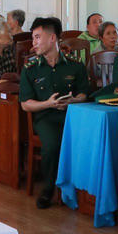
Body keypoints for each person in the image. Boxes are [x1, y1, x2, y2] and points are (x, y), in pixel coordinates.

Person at [20, 17, 91, 208]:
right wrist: (48, 104)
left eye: (37, 37)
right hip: (46, 117)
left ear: (52, 38)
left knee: (91, 139)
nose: (34, 43)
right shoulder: (31, 69)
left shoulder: (75, 65)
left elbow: (84, 94)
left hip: (72, 116)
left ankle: (85, 191)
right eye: (33, 38)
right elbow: (26, 105)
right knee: (52, 144)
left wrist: (72, 100)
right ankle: (48, 190)